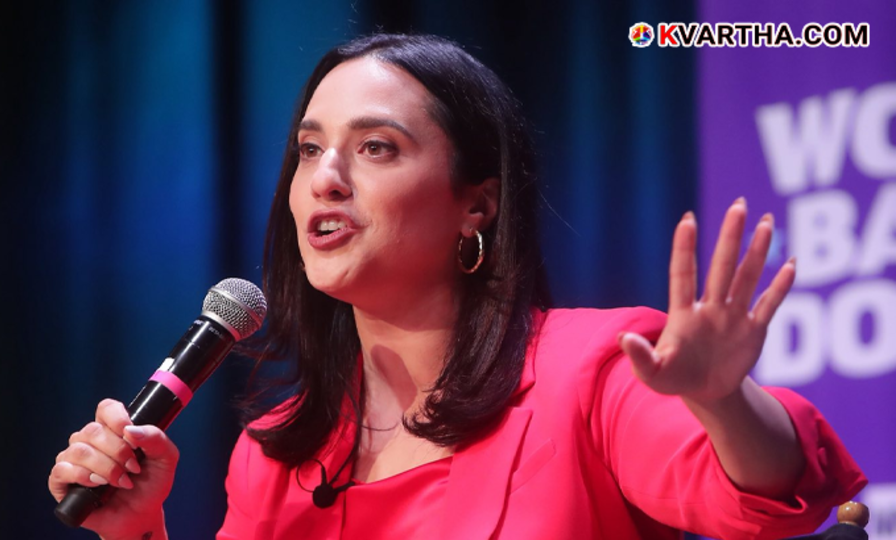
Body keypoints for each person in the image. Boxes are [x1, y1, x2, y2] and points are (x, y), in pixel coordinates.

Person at [48, 33, 866, 540]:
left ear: (475, 202)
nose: (324, 179)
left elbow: (761, 498)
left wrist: (722, 401)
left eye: (375, 148)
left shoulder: (589, 370)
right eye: (308, 148)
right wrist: (133, 530)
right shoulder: (274, 450)